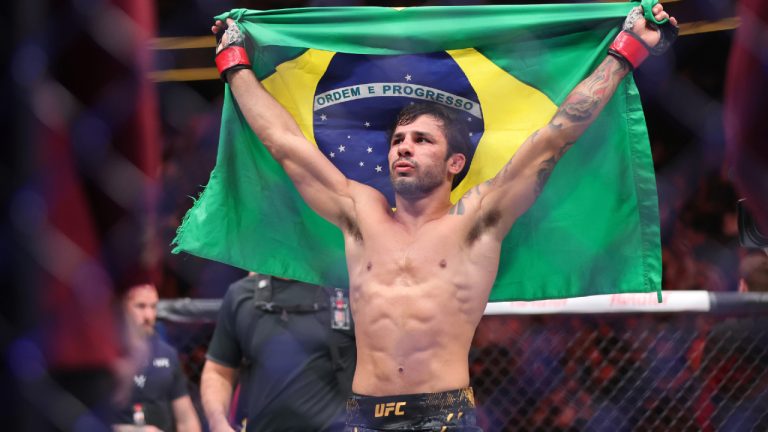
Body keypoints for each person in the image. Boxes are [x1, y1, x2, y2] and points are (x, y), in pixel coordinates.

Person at [211, 4, 678, 431]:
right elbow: (284, 143)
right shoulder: (360, 215)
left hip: (443, 417)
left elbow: (554, 138)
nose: (404, 148)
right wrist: (234, 63)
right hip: (363, 417)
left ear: (456, 162)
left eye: (421, 140)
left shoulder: (476, 221)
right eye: (398, 141)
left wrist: (625, 52)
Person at [200, 273, 356, 432]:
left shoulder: (348, 292)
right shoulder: (241, 294)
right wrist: (218, 423)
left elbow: (371, 368)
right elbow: (218, 372)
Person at [113, 283, 202, 432]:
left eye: (153, 307)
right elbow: (82, 419)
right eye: (140, 306)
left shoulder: (167, 354)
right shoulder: (103, 355)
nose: (148, 316)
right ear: (122, 307)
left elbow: (186, 419)